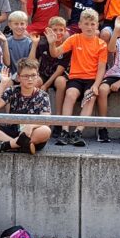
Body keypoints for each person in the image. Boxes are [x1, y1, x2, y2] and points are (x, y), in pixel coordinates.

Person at [44, 9, 108, 146]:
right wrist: (52, 43)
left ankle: (78, 132)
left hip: (92, 79)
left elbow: (101, 68)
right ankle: (65, 131)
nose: (89, 27)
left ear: (97, 25)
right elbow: (55, 54)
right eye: (86, 23)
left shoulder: (102, 44)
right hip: (76, 77)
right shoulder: (74, 38)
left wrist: (96, 85)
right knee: (70, 93)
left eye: (92, 24)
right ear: (80, 25)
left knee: (90, 96)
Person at [0, 59, 53, 154]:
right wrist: (2, 84)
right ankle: (19, 145)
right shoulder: (12, 91)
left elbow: (46, 119)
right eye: (26, 76)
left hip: (31, 134)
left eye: (33, 75)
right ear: (18, 77)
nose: (30, 79)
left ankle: (4, 146)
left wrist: (31, 126)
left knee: (45, 131)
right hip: (13, 131)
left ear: (37, 76)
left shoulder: (43, 95)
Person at [33, 16, 70, 125]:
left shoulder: (66, 45)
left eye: (61, 30)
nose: (58, 33)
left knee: (60, 82)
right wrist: (34, 45)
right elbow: (33, 62)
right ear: (48, 30)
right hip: (44, 73)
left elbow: (60, 69)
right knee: (35, 81)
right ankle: (33, 116)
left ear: (65, 30)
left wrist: (46, 85)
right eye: (55, 30)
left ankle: (58, 119)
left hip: (58, 75)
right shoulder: (42, 43)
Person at [3, 11, 33, 75]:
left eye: (22, 24)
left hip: (26, 75)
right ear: (10, 25)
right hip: (11, 76)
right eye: (16, 24)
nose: (19, 27)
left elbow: (31, 63)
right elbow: (7, 63)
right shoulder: (6, 41)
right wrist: (5, 42)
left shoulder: (30, 42)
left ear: (26, 25)